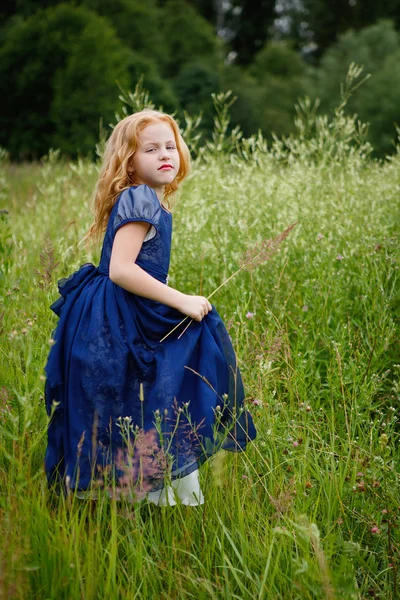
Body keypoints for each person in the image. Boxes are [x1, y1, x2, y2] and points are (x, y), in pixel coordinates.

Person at [44, 109, 257, 506]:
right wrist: (182, 299)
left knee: (138, 391)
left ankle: (137, 488)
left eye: (170, 146)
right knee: (159, 375)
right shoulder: (139, 197)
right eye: (151, 148)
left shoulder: (150, 199)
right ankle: (133, 489)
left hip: (126, 308)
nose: (165, 154)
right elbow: (122, 270)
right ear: (129, 161)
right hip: (116, 313)